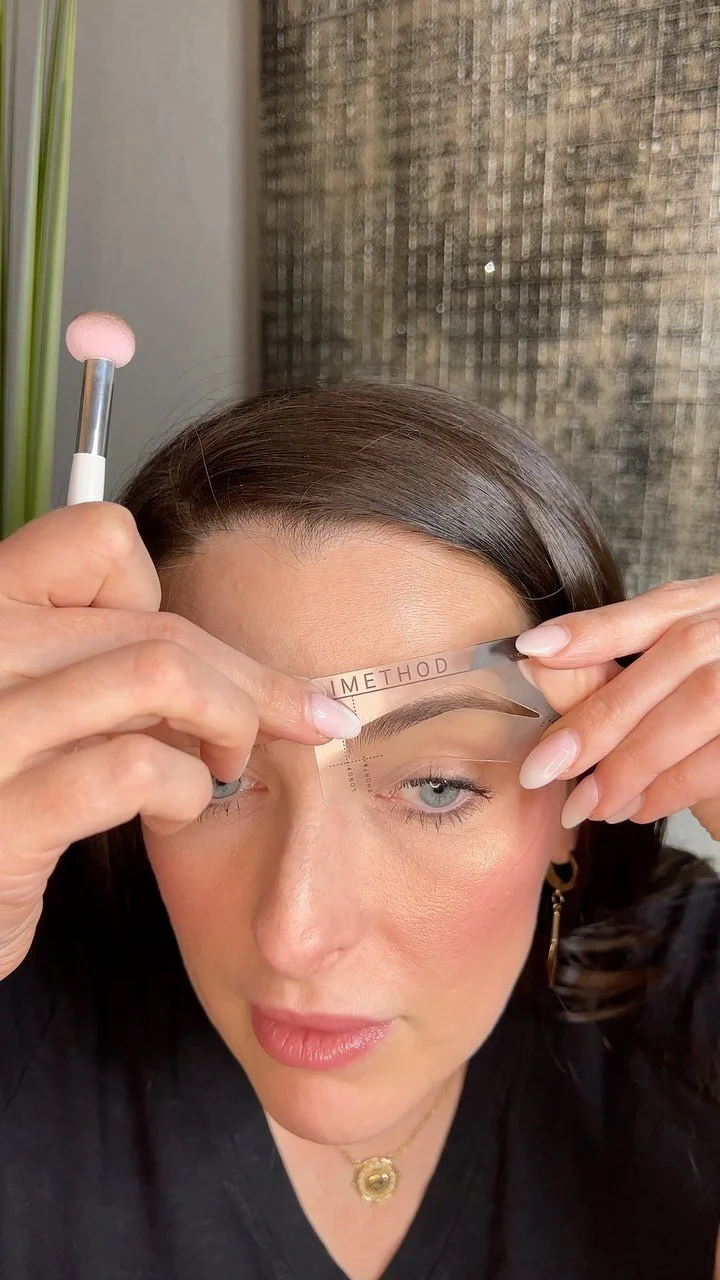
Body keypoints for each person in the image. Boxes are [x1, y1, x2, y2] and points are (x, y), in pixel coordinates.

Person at [0, 381, 719, 1280]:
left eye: (435, 786)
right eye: (222, 778)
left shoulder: (694, 1001)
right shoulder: (29, 1012)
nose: (295, 935)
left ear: (577, 800)